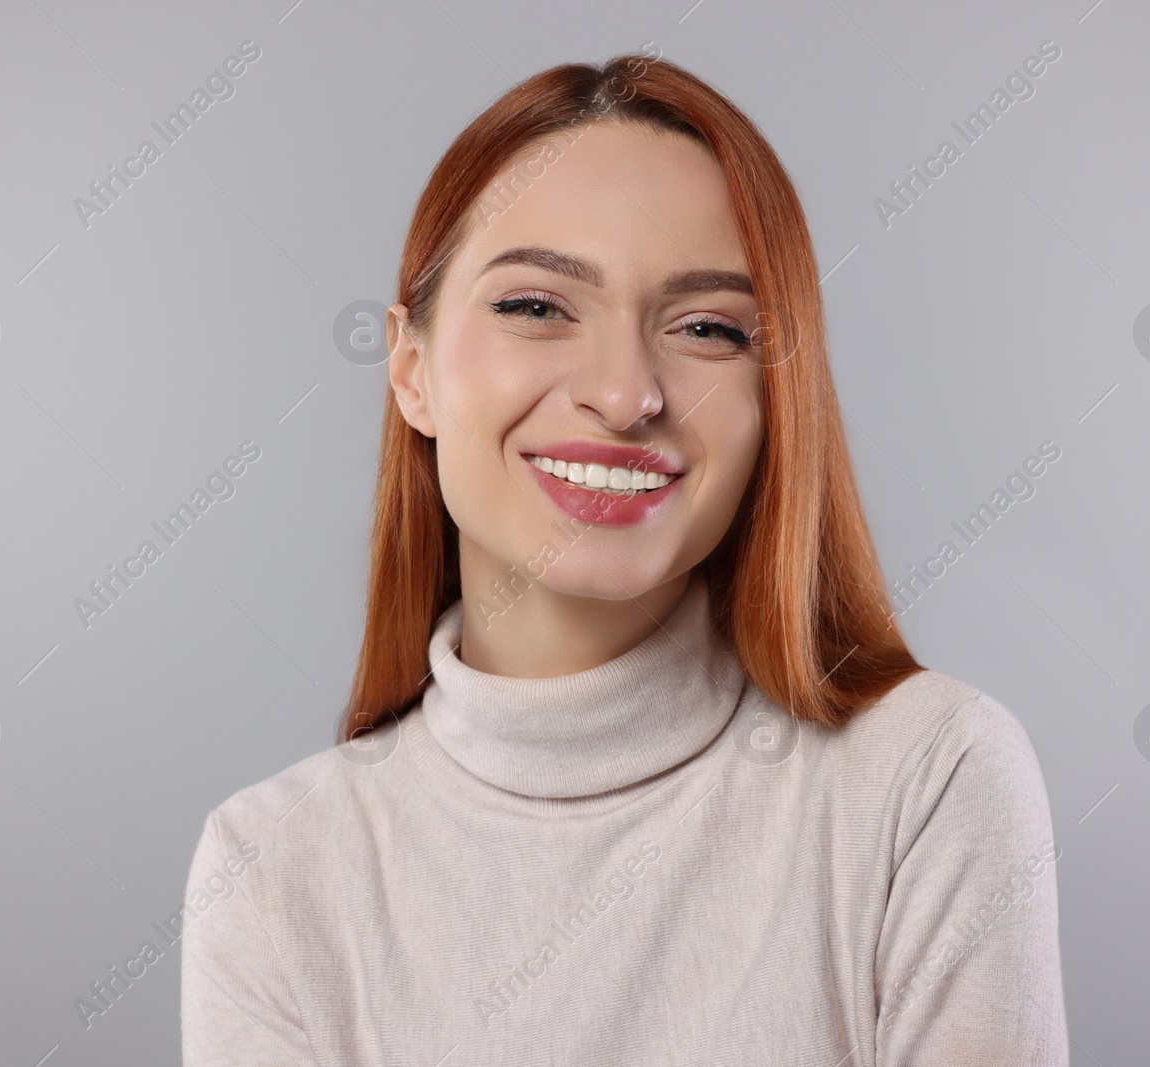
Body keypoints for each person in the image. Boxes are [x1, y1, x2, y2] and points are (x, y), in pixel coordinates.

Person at [181, 50, 1067, 1066]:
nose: (623, 392)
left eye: (706, 327)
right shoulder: (271, 864)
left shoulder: (927, 775)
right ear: (412, 370)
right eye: (534, 306)